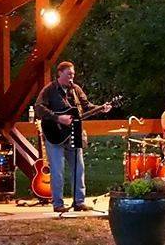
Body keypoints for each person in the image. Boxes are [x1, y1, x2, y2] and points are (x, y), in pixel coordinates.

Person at [34, 61, 110, 212]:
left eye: (73, 74)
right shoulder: (49, 89)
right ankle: (58, 204)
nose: (71, 77)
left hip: (74, 132)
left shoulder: (76, 90)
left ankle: (79, 201)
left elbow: (86, 106)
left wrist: (101, 108)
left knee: (79, 167)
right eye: (69, 74)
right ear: (60, 73)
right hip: (54, 134)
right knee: (57, 170)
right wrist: (58, 118)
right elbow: (39, 108)